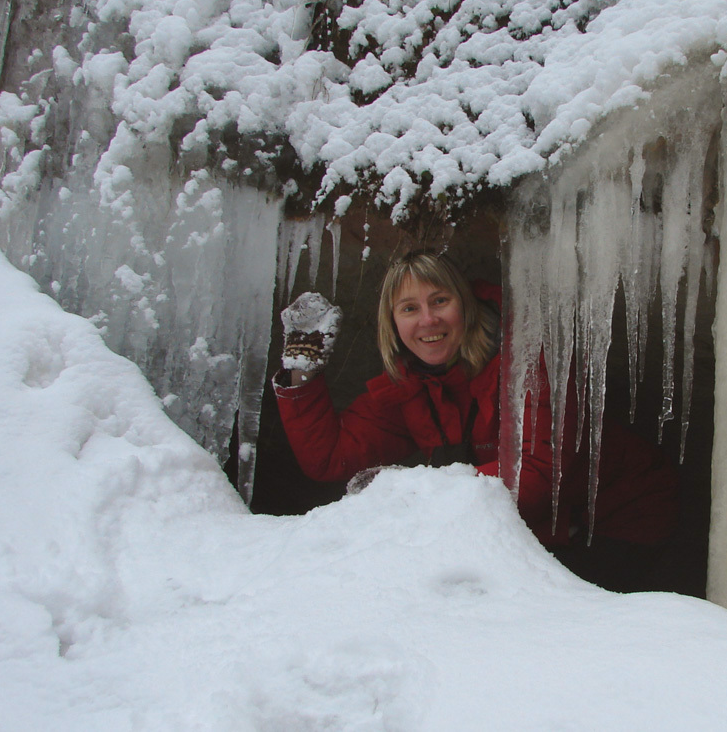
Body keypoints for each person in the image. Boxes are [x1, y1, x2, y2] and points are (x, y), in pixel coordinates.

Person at [271, 249, 678, 590]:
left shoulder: (527, 357)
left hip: (620, 517)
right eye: (409, 308)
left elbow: (536, 475)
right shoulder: (412, 386)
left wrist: (414, 491)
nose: (427, 320)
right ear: (393, 324)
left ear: (464, 303)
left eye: (439, 301)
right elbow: (331, 459)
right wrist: (301, 373)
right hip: (549, 530)